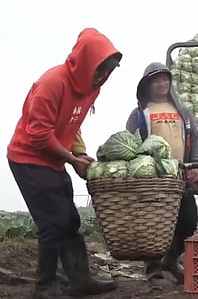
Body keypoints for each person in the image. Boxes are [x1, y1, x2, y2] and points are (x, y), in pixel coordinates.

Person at [7, 28, 122, 298]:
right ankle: (44, 285)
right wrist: (72, 160)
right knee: (53, 223)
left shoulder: (92, 87)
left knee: (70, 220)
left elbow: (73, 124)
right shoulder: (53, 83)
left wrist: (80, 154)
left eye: (107, 72)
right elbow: (39, 136)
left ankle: (80, 280)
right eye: (98, 71)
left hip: (54, 160)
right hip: (28, 159)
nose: (102, 77)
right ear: (83, 64)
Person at [126, 62, 198, 284]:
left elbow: (194, 140)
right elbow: (129, 142)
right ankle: (153, 268)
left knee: (187, 222)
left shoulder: (183, 112)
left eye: (165, 79)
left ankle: (171, 259)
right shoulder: (140, 113)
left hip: (181, 175)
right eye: (157, 80)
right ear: (147, 85)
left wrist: (195, 165)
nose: (162, 83)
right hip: (154, 177)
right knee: (153, 224)